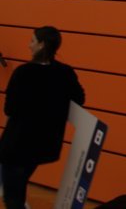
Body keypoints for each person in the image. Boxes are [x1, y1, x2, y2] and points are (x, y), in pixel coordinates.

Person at [0, 26, 86, 209]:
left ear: (41, 45)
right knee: (17, 187)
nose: (29, 45)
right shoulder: (65, 73)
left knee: (13, 198)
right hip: (44, 146)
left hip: (17, 146)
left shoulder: (23, 73)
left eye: (32, 41)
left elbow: (10, 109)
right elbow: (79, 99)